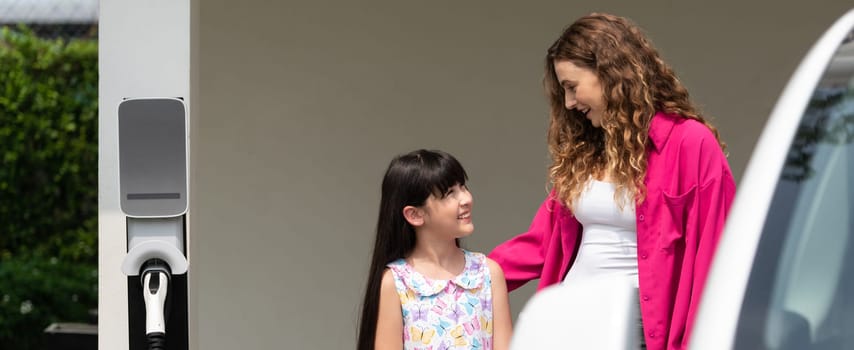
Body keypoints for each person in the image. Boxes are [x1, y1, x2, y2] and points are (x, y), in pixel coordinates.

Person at [488, 13, 736, 350]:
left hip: (631, 326)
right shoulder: (588, 150)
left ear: (609, 73)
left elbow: (717, 254)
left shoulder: (689, 143)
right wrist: (461, 279)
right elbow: (540, 244)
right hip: (568, 315)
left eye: (572, 87)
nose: (569, 103)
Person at [357, 149, 512, 350]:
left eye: (463, 187)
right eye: (450, 193)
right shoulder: (396, 283)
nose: (465, 199)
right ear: (414, 214)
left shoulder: (488, 274)